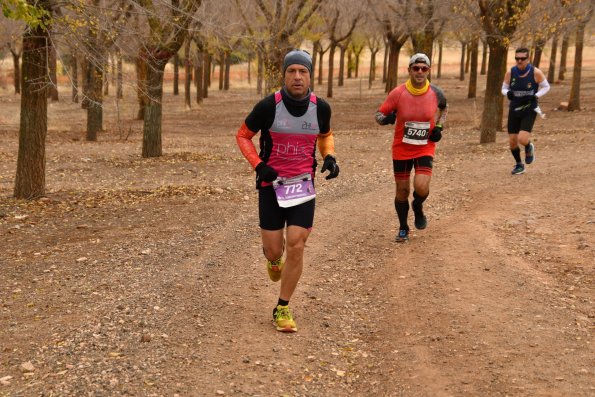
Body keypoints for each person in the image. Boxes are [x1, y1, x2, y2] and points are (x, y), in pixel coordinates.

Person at [235, 49, 339, 332]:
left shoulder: (322, 108)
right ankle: (273, 260)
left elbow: (325, 134)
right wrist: (259, 165)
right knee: (274, 250)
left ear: (310, 75)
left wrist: (329, 156)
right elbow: (243, 135)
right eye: (292, 71)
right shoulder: (269, 106)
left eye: (302, 71)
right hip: (272, 186)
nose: (297, 77)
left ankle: (282, 308)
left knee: (297, 243)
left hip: (303, 187)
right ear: (284, 75)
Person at [375, 53, 448, 242]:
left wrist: (439, 127)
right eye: (416, 68)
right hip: (402, 148)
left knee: (421, 187)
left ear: (429, 71)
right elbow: (378, 115)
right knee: (402, 191)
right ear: (409, 70)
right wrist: (386, 119)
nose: (420, 72)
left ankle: (418, 205)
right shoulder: (398, 93)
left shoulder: (436, 92)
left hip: (425, 147)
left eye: (424, 69)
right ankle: (403, 227)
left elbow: (444, 108)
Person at [502, 47, 550, 175]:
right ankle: (519, 165)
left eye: (522, 59)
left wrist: (536, 96)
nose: (519, 61)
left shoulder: (536, 72)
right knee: (512, 141)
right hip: (514, 109)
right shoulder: (510, 72)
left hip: (529, 109)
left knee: (522, 139)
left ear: (528, 59)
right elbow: (504, 88)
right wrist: (508, 93)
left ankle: (528, 146)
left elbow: (546, 87)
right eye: (517, 58)